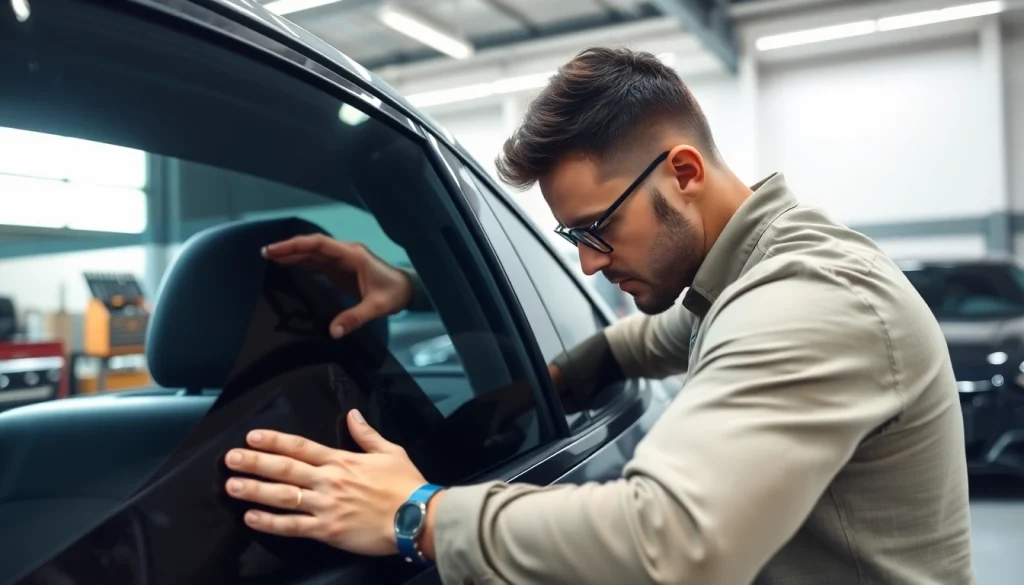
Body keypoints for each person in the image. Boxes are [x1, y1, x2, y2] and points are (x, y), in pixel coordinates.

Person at [221, 47, 976, 584]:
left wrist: (420, 513)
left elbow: (676, 544)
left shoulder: (808, 295)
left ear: (682, 173)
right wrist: (443, 302)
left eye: (595, 229)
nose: (587, 262)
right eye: (571, 238)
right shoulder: (749, 277)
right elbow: (640, 343)